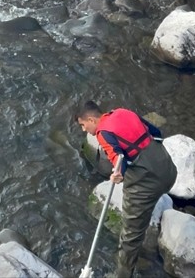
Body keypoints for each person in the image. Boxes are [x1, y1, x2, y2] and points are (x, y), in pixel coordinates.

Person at [75, 100, 176, 278]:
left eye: (83, 125)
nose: (84, 130)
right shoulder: (122, 112)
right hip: (169, 171)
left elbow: (118, 158)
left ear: (91, 119)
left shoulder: (102, 133)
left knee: (130, 235)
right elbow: (156, 133)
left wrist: (118, 174)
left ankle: (123, 274)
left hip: (147, 182)